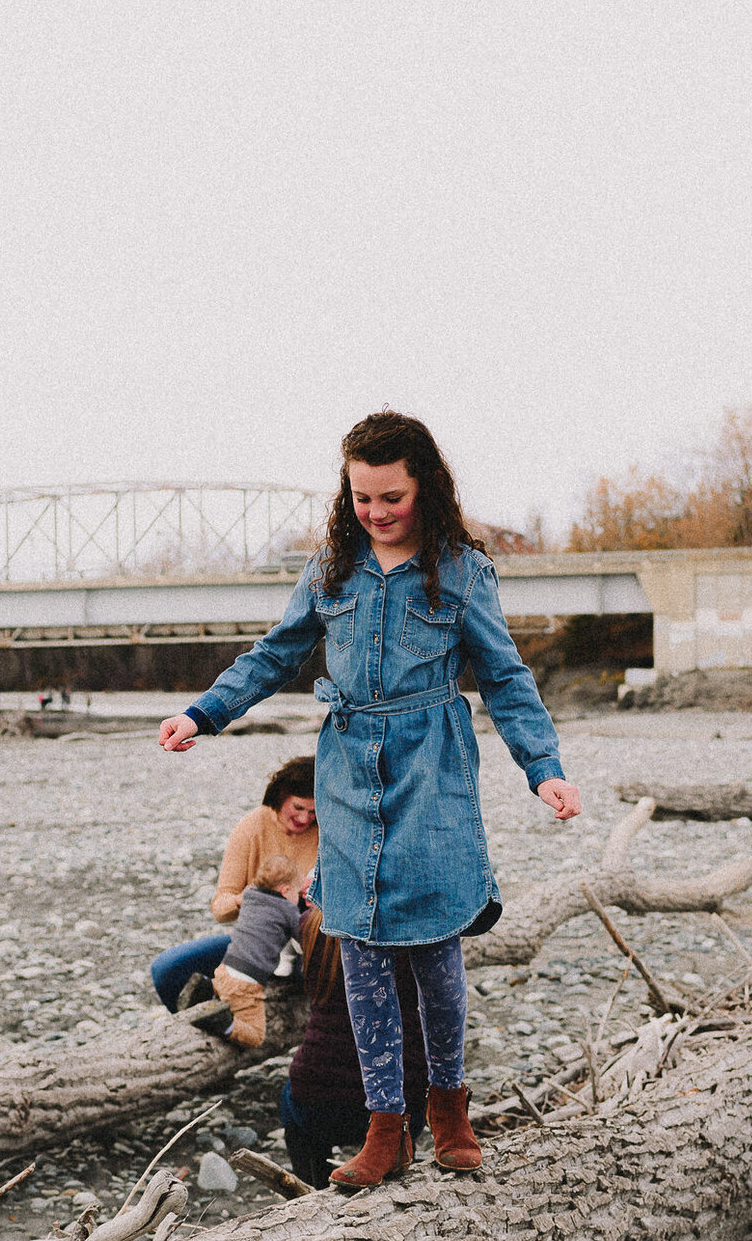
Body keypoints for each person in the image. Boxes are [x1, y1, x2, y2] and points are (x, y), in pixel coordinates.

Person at [159, 410, 581, 1188]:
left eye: (391, 497)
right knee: (360, 949)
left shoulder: (460, 571)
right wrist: (202, 712)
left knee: (433, 949)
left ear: (425, 486)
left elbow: (506, 678)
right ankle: (384, 1127)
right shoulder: (330, 569)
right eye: (362, 497)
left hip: (433, 771)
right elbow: (274, 655)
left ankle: (446, 1106)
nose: (377, 512)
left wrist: (542, 767)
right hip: (348, 772)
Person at [146, 756, 321, 1013]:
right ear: (281, 795)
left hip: (310, 945)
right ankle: (215, 1027)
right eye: (298, 808)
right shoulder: (253, 825)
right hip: (259, 941)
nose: (305, 819)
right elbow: (220, 907)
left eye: (313, 812)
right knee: (167, 970)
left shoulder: (327, 830)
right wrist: (244, 898)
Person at [281, 904, 427, 1185]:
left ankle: (313, 1185)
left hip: (318, 1102)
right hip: (406, 1098)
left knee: (290, 1101)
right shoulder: (408, 922)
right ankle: (398, 1163)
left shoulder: (310, 923)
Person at [208, 849, 303, 1048]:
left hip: (224, 970)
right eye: (297, 892)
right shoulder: (288, 910)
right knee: (256, 1037)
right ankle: (224, 1025)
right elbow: (304, 939)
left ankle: (207, 988)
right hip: (247, 983)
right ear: (285, 891)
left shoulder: (249, 894)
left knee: (227, 992)